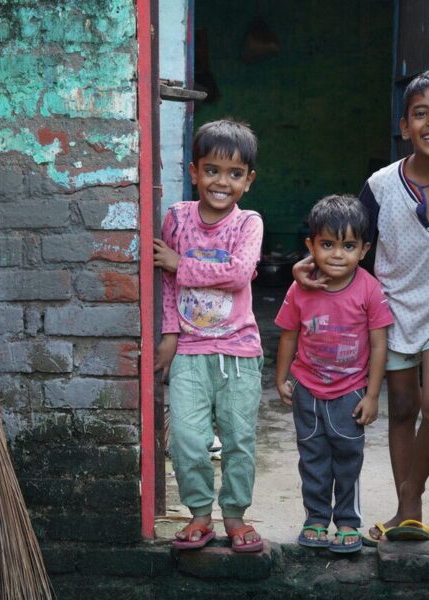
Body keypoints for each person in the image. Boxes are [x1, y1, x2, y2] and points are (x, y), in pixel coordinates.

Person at [293, 70, 429, 543]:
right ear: (404, 126)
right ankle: (409, 513)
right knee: (403, 407)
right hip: (389, 308)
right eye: (420, 113)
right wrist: (309, 266)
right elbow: (350, 239)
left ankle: (411, 496)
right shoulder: (382, 185)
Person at [154, 118, 265, 553]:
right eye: (213, 170)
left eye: (235, 174)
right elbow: (165, 283)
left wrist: (181, 264)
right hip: (190, 350)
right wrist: (168, 333)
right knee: (186, 438)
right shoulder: (177, 219)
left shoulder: (248, 223)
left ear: (248, 181)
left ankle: (235, 515)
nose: (222, 182)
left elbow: (238, 275)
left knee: (239, 440)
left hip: (238, 352)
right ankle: (200, 515)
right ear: (194, 172)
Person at [275, 195, 393, 553]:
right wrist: (281, 378)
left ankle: (346, 521)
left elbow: (378, 345)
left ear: (364, 249)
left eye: (349, 245)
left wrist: (372, 395)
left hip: (350, 393)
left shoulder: (369, 289)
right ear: (310, 246)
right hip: (307, 390)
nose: (338, 255)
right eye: (327, 245)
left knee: (347, 458)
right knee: (312, 457)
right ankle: (315, 518)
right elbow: (289, 334)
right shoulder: (300, 288)